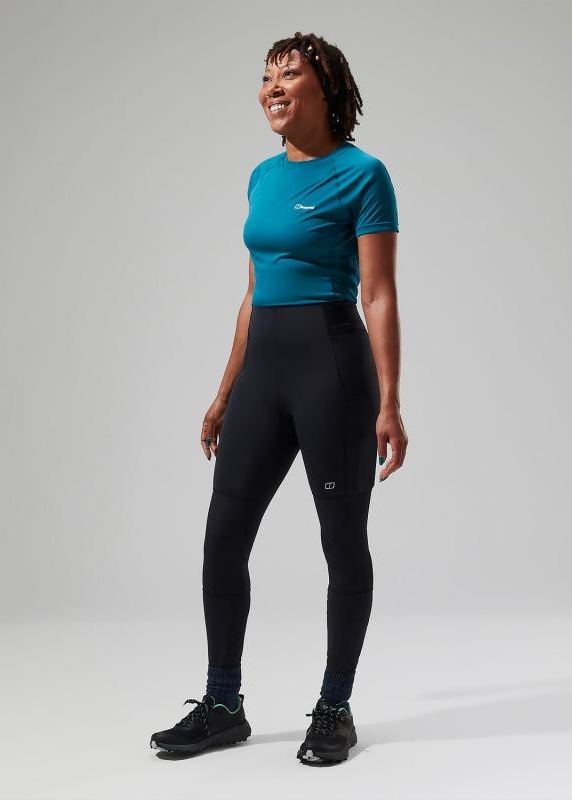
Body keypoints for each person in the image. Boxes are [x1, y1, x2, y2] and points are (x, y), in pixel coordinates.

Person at [150, 31, 408, 765]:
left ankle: (334, 707)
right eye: (266, 75)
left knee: (341, 542)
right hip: (264, 372)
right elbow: (254, 291)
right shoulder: (262, 177)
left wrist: (390, 401)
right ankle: (222, 704)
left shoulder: (364, 175)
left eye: (289, 74)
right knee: (223, 538)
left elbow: (378, 293)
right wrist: (224, 391)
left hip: (332, 372)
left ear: (326, 90)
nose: (273, 86)